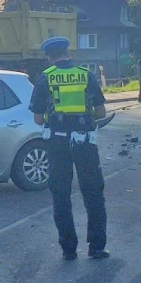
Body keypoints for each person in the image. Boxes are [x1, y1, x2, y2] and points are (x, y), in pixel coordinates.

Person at [30, 37, 110, 260]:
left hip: (57, 143)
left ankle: (68, 249)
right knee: (93, 191)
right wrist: (84, 117)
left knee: (61, 194)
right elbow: (101, 112)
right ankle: (96, 247)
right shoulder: (86, 75)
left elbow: (38, 118)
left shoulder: (45, 78)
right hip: (84, 141)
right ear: (68, 53)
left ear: (49, 57)